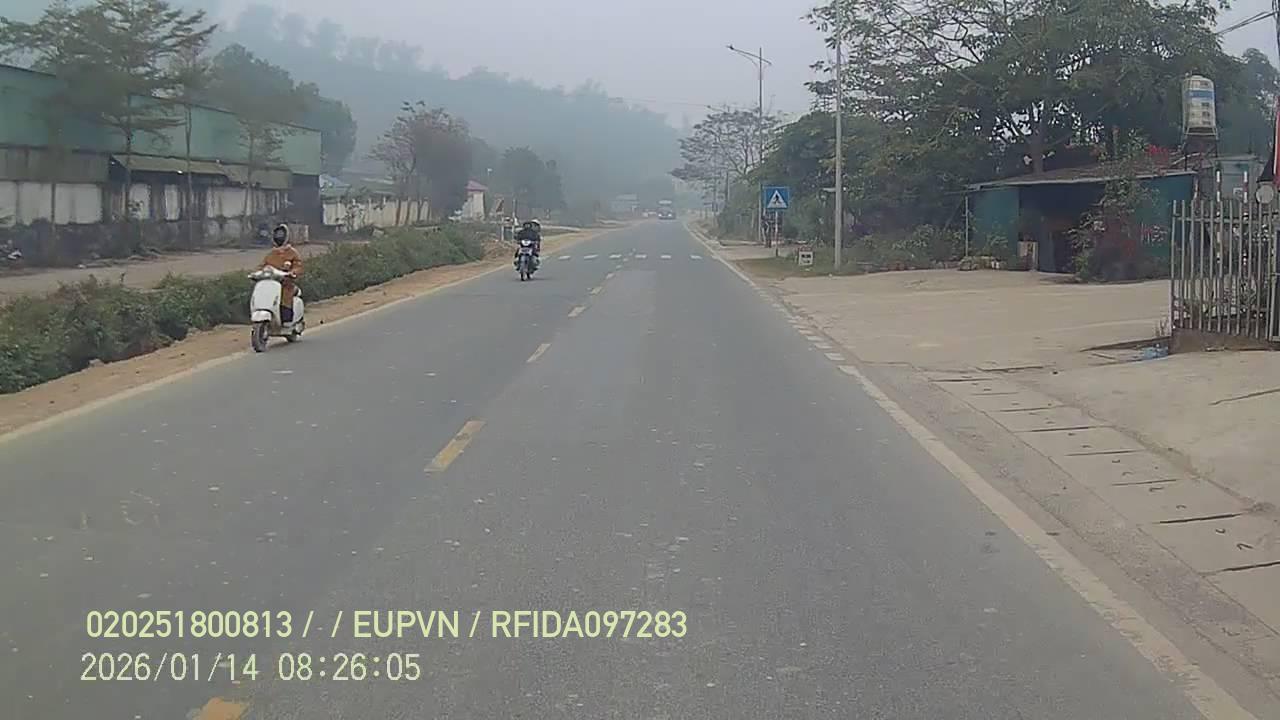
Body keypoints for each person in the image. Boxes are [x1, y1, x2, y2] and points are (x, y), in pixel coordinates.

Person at [261, 224, 303, 322]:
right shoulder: (271, 254)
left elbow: (298, 266)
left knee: (285, 299)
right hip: (271, 284)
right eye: (277, 234)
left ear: (286, 236)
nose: (278, 237)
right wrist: (256, 273)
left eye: (281, 234)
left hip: (286, 285)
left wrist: (292, 272)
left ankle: (287, 320)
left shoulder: (292, 252)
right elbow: (262, 266)